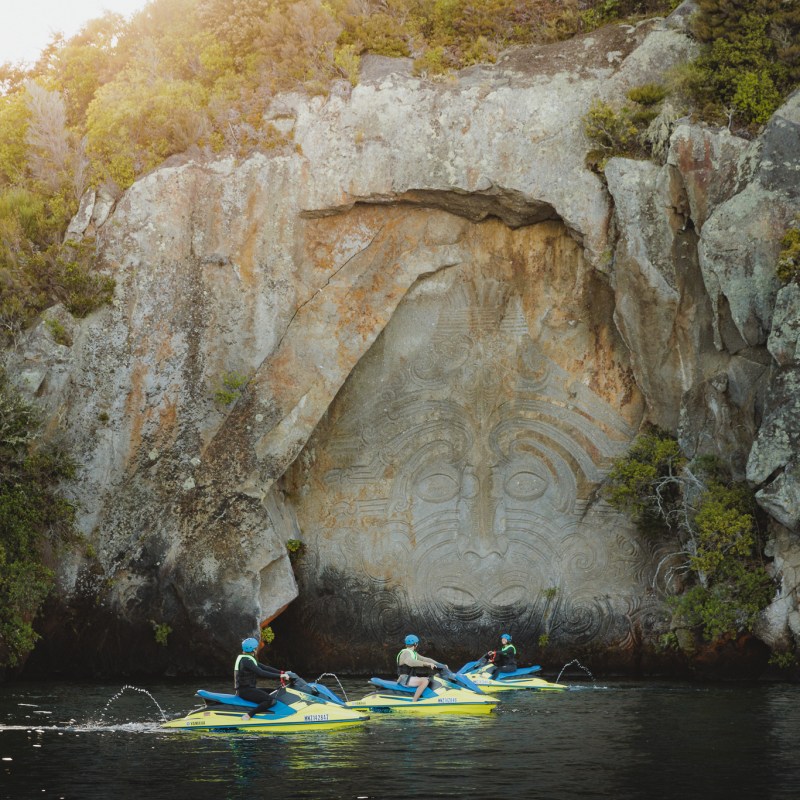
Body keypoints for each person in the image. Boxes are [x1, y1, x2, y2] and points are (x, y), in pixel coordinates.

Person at [235, 637, 296, 720]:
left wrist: (282, 672)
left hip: (248, 689)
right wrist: (280, 676)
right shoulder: (247, 661)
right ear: (253, 649)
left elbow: (265, 668)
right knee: (270, 700)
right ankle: (249, 715)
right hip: (245, 691)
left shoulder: (246, 658)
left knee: (275, 692)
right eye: (256, 647)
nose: (257, 648)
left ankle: (280, 712)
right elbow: (261, 672)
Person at [396, 634, 447, 702]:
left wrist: (440, 665)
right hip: (404, 679)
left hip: (409, 678)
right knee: (424, 681)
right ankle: (414, 702)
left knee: (432, 678)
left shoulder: (413, 653)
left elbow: (426, 659)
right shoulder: (405, 653)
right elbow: (410, 662)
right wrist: (425, 664)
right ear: (415, 644)